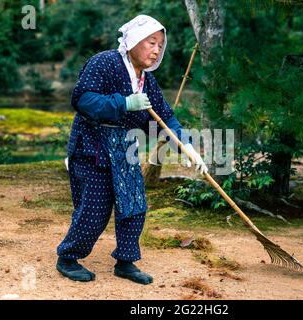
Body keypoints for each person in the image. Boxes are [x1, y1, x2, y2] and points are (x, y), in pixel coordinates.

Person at [56, 15, 208, 285]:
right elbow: (82, 99)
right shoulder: (104, 63)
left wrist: (187, 147)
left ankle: (126, 262)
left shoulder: (147, 81)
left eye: (161, 45)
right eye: (152, 42)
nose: (156, 49)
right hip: (92, 146)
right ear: (134, 41)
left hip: (125, 148)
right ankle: (68, 257)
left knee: (134, 204)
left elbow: (165, 118)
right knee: (95, 207)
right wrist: (124, 102)